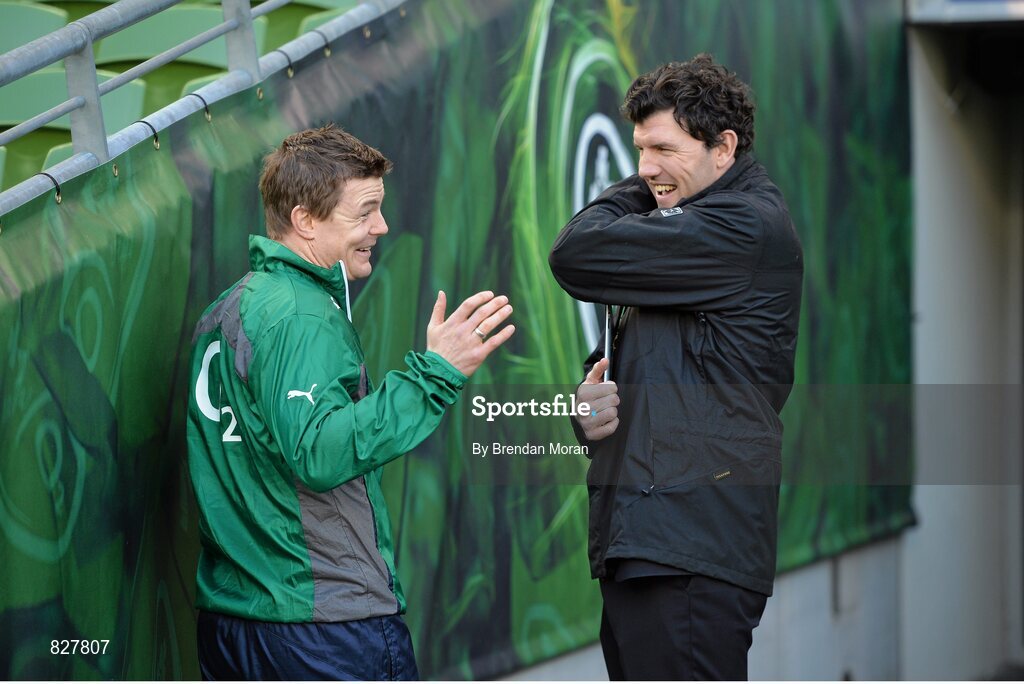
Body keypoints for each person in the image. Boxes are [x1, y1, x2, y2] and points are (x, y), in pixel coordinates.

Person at [187, 124, 514, 680]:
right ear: (304, 221)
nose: (381, 227)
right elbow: (320, 453)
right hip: (323, 631)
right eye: (364, 212)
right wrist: (435, 374)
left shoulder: (229, 308)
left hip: (236, 622)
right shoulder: (302, 316)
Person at [548, 55, 803, 680]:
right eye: (639, 150)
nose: (646, 168)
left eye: (664, 147)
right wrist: (589, 405)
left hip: (691, 547)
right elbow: (664, 365)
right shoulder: (691, 220)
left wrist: (648, 190)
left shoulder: (743, 225)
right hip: (649, 541)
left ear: (725, 148)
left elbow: (576, 255)